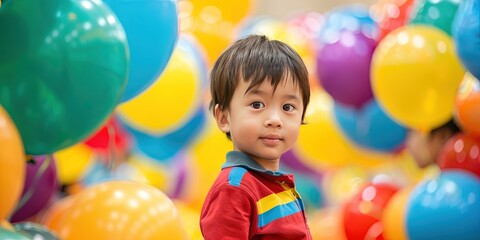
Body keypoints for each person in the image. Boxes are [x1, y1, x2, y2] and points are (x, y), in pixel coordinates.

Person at [200, 34, 312, 239]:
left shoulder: (275, 184)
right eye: (257, 105)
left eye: (288, 107)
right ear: (224, 117)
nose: (275, 119)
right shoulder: (235, 189)